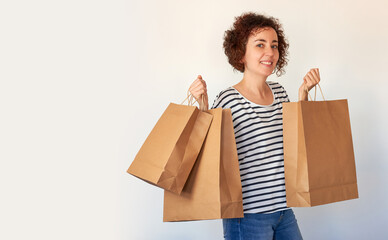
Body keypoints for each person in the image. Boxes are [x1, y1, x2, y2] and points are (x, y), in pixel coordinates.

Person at [189, 12, 321, 240]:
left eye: (274, 45)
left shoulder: (279, 93)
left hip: (283, 210)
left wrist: (303, 97)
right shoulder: (228, 99)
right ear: (241, 54)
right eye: (260, 45)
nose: (270, 52)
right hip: (247, 216)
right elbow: (207, 155)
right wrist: (202, 108)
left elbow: (298, 144)